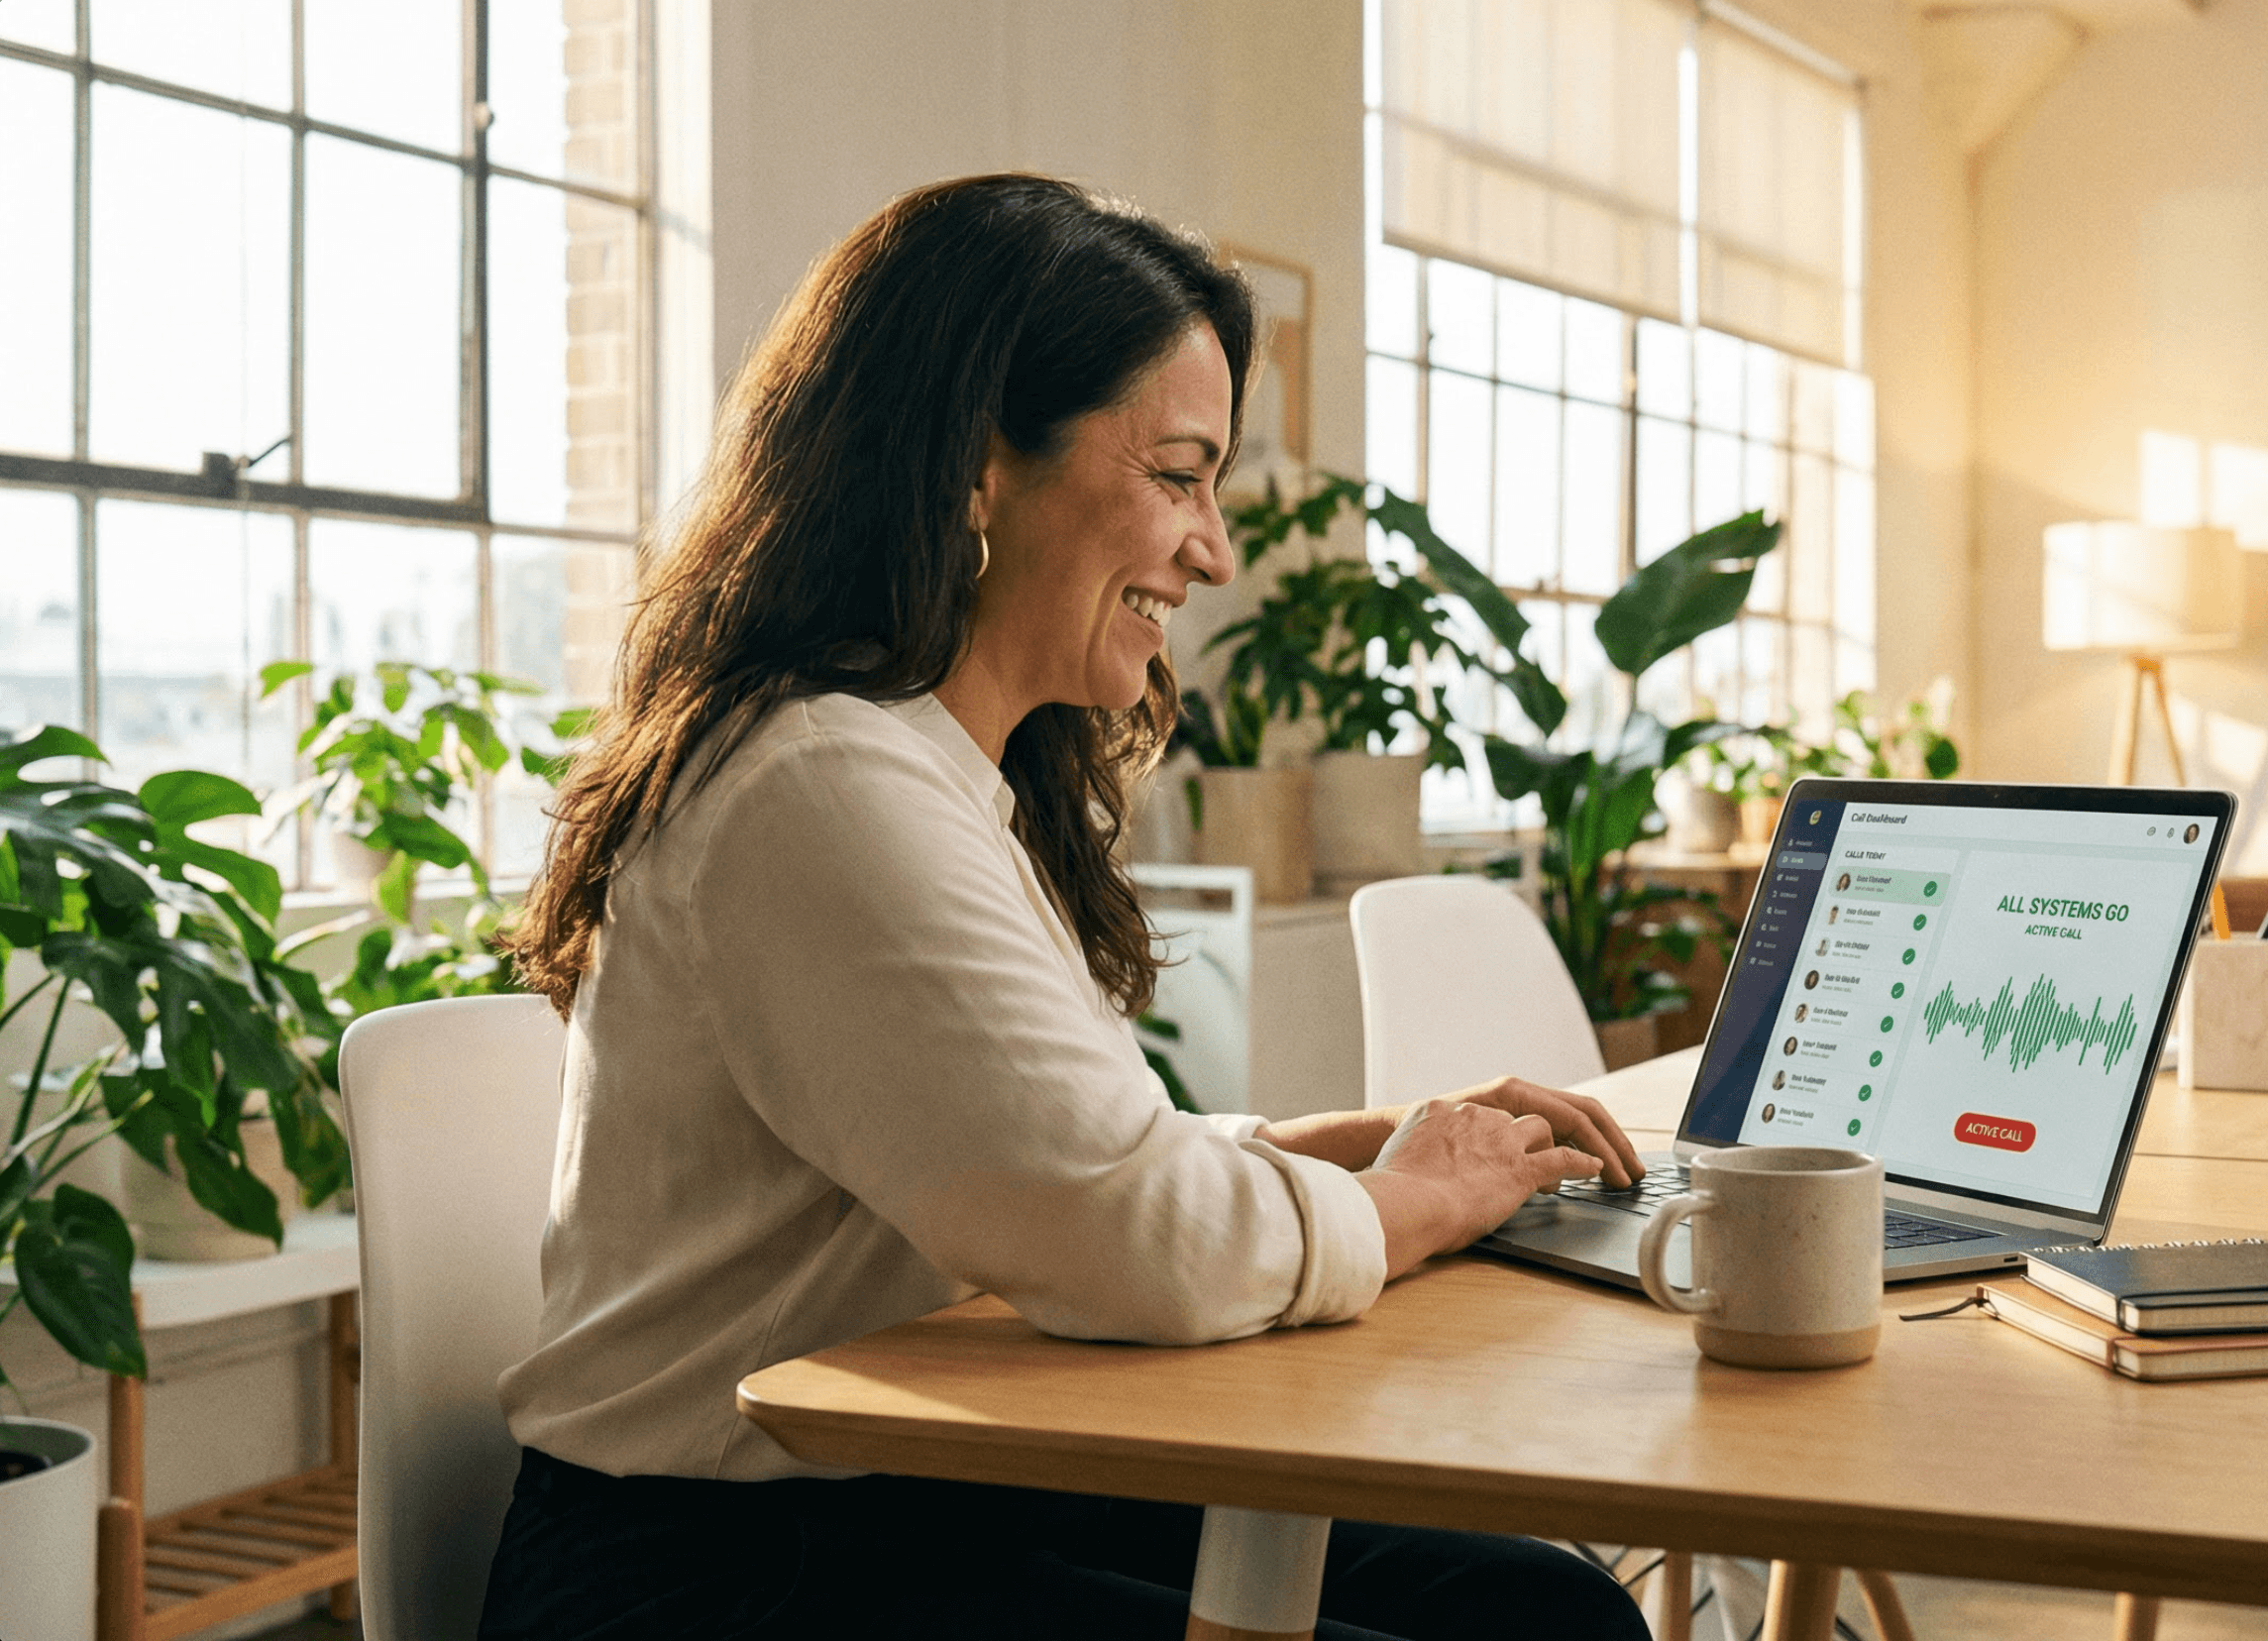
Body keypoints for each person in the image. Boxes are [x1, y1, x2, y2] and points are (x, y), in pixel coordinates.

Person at [483, 175, 1651, 1641]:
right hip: (714, 1571)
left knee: (1537, 1611)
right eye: (1177, 475)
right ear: (977, 465)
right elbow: (1134, 1237)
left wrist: (1332, 1149)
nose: (1214, 551)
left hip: (912, 1483)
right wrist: (1413, 1200)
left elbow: (1039, 1161)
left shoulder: (924, 769)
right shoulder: (818, 784)